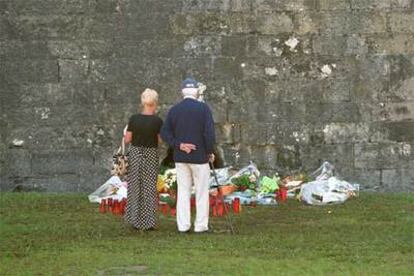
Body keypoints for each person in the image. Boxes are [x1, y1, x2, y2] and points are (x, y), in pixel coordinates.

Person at [161, 77, 216, 233]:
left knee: (183, 192)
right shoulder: (203, 109)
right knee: (201, 192)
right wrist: (209, 151)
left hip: (181, 157)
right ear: (196, 91)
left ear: (183, 92)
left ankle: (183, 225)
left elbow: (165, 133)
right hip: (199, 157)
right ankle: (200, 225)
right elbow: (209, 134)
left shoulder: (175, 110)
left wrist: (179, 144)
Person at [124, 88, 163, 231]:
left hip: (135, 153)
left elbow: (127, 139)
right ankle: (148, 221)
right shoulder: (158, 121)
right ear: (155, 102)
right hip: (150, 153)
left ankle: (134, 219)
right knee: (148, 187)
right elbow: (159, 141)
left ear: (143, 102)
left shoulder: (134, 119)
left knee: (134, 186)